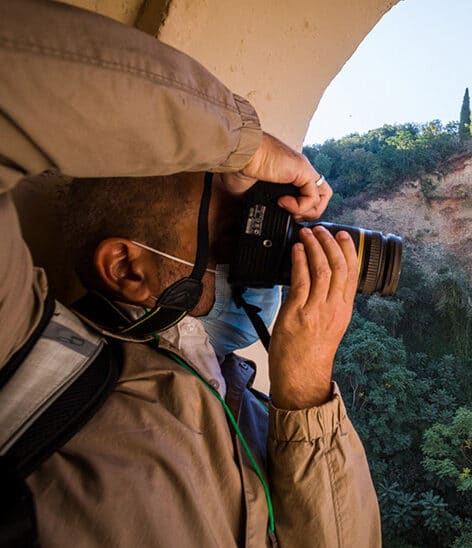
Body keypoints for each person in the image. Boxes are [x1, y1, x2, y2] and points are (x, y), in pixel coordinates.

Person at [0, 1, 379, 546]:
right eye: (225, 230)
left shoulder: (251, 409)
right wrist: (242, 147)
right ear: (127, 268)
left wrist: (304, 396)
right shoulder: (30, 362)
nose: (250, 253)